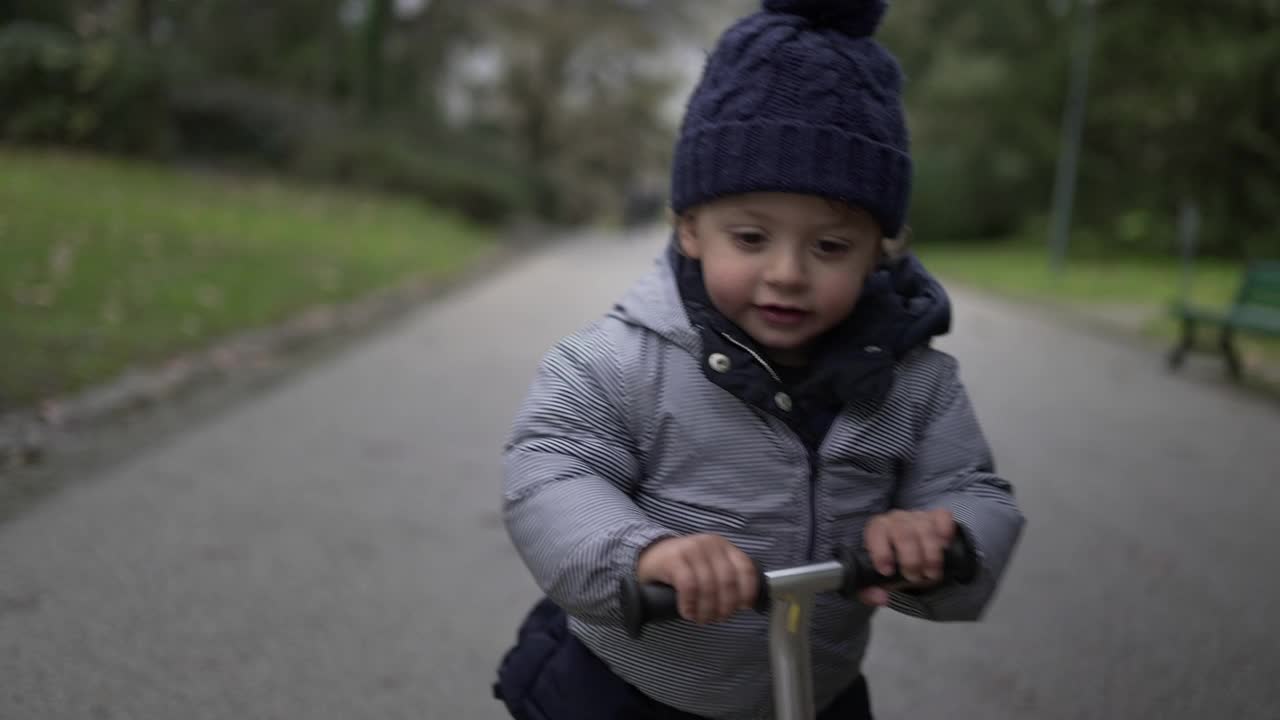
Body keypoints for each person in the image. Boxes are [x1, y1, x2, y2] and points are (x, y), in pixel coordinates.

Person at [492, 1, 1026, 718]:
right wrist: (641, 554)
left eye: (830, 247)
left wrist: (940, 536)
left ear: (882, 250)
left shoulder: (915, 384)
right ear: (690, 230)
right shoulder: (617, 364)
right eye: (750, 238)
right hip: (631, 692)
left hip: (810, 691)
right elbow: (551, 471)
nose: (787, 273)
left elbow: (972, 489)